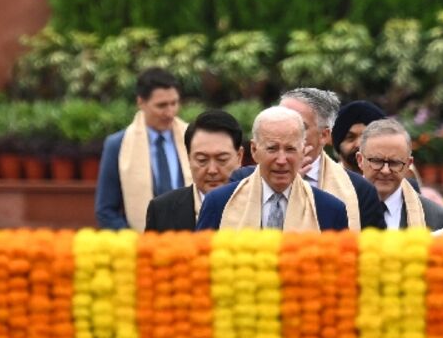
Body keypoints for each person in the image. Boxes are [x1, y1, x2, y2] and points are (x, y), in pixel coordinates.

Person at [227, 88, 385, 230]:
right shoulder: (240, 183)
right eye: (279, 121)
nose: (285, 131)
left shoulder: (359, 190)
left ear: (324, 135)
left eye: (299, 126)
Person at [196, 107, 348, 231]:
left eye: (290, 149)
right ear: (254, 150)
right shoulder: (219, 203)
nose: (281, 160)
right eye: (272, 149)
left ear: (303, 152)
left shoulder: (329, 210)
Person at [95, 68, 190, 231]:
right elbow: (105, 210)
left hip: (192, 241)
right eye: (161, 105)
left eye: (174, 103)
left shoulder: (193, 139)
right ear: (141, 102)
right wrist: (135, 243)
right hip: (142, 246)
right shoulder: (118, 145)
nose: (170, 112)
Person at [145, 109, 245, 232]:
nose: (212, 170)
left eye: (221, 159)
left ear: (239, 156)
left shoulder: (262, 204)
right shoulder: (161, 210)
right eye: (202, 160)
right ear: (188, 158)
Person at [356, 118, 443, 230]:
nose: (385, 170)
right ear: (360, 160)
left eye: (395, 163)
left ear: (408, 164)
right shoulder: (338, 207)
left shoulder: (436, 218)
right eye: (377, 161)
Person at [332, 100, 386, 172]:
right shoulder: (325, 181)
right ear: (338, 145)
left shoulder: (399, 182)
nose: (359, 144)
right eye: (350, 137)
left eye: (367, 136)